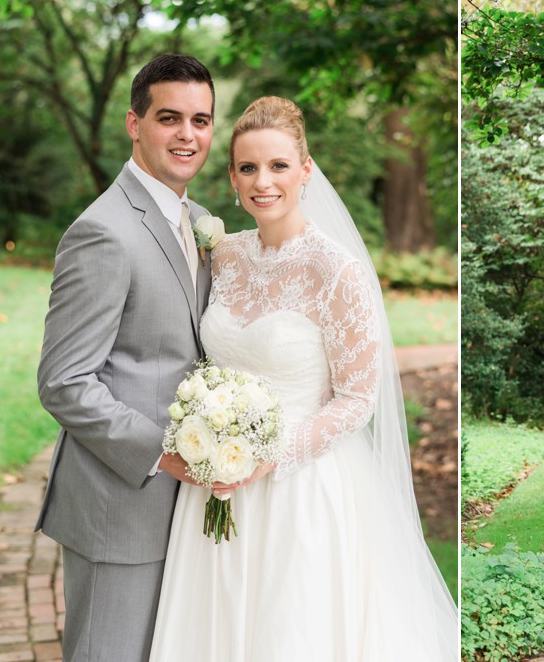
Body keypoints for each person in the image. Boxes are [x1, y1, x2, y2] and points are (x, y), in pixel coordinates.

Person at [149, 96, 458, 660]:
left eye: (278, 166)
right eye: (248, 168)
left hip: (301, 486)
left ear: (306, 170)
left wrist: (270, 455)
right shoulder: (225, 255)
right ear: (233, 176)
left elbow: (359, 397)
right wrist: (215, 445)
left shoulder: (335, 270)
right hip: (215, 483)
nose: (262, 182)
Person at [36, 54, 216, 661]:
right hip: (120, 505)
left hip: (187, 509)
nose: (187, 135)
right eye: (170, 118)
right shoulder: (104, 231)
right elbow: (64, 382)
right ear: (135, 124)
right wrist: (165, 453)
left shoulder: (195, 221)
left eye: (201, 120)